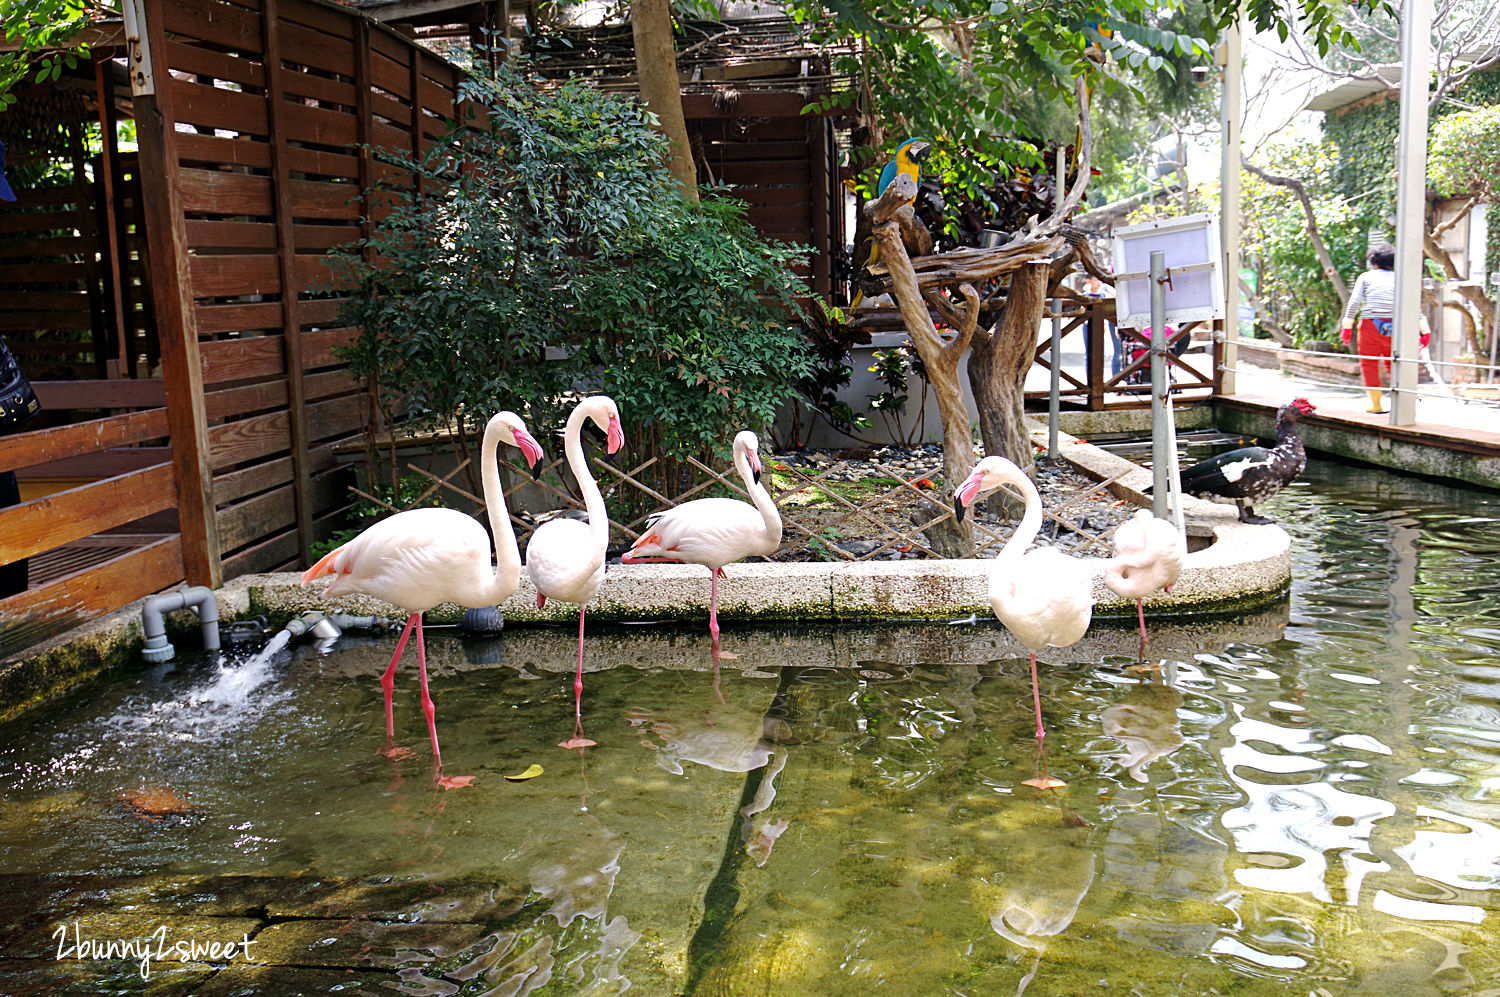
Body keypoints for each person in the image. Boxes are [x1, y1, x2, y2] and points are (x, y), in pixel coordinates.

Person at [1340, 242, 1396, 414]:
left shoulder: (1365, 277)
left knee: (1369, 364)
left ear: (1373, 262)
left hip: (1370, 324)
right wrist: (1423, 331)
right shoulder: (1400, 278)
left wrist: (1347, 326)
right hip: (1395, 325)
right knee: (1394, 363)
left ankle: (1376, 405)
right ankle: (1399, 404)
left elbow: (1355, 302)